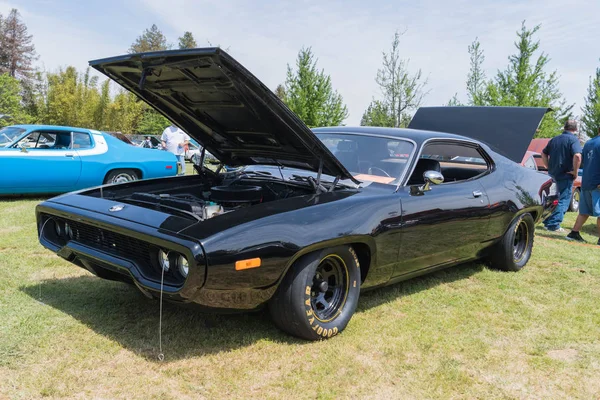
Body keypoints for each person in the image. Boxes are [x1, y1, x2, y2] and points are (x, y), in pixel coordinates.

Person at [541, 120, 582, 232]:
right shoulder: (573, 140)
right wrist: (575, 171)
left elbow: (543, 153)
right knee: (563, 199)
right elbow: (577, 156)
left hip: (553, 174)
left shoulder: (554, 139)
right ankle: (553, 225)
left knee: (552, 199)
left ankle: (546, 221)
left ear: (564, 127)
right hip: (565, 175)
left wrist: (548, 166)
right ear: (575, 129)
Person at [566, 127, 600, 244]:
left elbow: (585, 161)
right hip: (597, 184)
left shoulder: (589, 143)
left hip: (586, 182)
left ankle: (574, 233)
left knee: (584, 212)